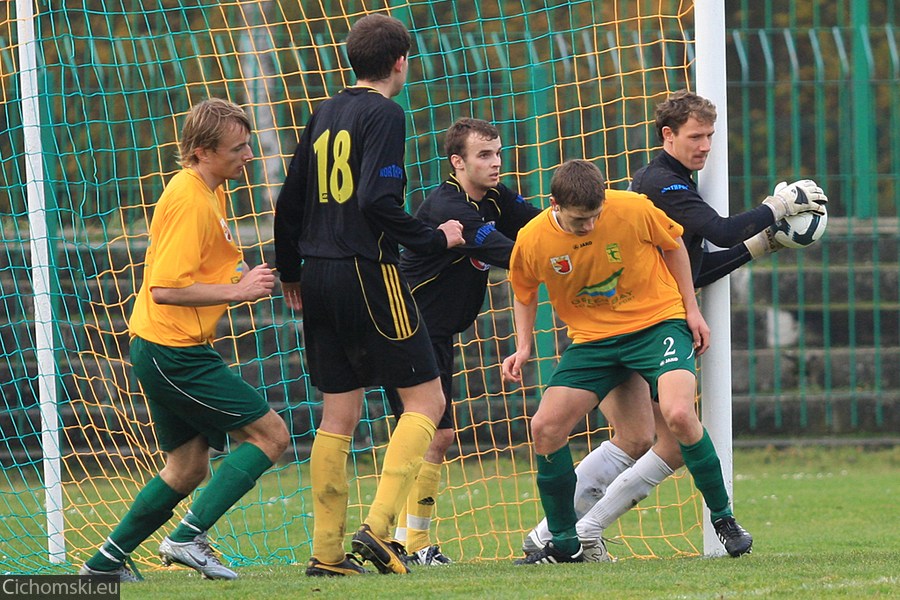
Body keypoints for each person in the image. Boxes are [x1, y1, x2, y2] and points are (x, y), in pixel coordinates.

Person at [522, 90, 827, 558]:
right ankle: (555, 534)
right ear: (668, 135)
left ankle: (584, 532)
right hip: (611, 332)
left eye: (710, 135)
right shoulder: (661, 186)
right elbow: (720, 233)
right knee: (639, 435)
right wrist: (776, 209)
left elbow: (686, 258)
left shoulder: (649, 195)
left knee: (665, 435)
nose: (706, 145)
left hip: (652, 323)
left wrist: (755, 252)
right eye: (696, 136)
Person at [273, 14, 465, 577]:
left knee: (340, 412)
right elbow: (379, 201)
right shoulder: (386, 112)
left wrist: (290, 271)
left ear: (350, 60)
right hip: (367, 271)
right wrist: (434, 237)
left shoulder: (325, 111)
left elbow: (289, 200)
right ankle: (380, 532)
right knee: (426, 402)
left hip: (316, 273)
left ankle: (327, 553)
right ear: (400, 63)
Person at [501, 158, 754, 565]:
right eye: (580, 220)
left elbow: (674, 248)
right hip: (593, 342)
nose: (589, 226)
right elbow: (524, 290)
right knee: (546, 427)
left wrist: (691, 310)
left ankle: (724, 519)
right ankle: (565, 543)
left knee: (679, 415)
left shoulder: (632, 208)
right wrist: (524, 346)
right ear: (554, 205)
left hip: (657, 325)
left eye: (596, 216)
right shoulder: (532, 239)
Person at [79, 98, 290, 582]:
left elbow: (207, 265)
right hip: (173, 353)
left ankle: (103, 567)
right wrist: (238, 291)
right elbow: (166, 288)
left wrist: (248, 275)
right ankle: (186, 537)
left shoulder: (207, 190)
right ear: (201, 151)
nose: (247, 156)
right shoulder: (191, 199)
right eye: (237, 148)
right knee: (270, 435)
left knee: (187, 468)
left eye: (248, 146)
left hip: (165, 348)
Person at [383, 117, 541, 566]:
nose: (495, 163)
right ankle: (400, 541)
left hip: (433, 331)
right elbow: (515, 254)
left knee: (435, 436)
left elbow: (537, 224)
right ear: (457, 162)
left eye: (497, 153)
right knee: (432, 434)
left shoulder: (495, 197)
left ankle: (405, 542)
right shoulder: (446, 209)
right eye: (483, 155)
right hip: (406, 327)